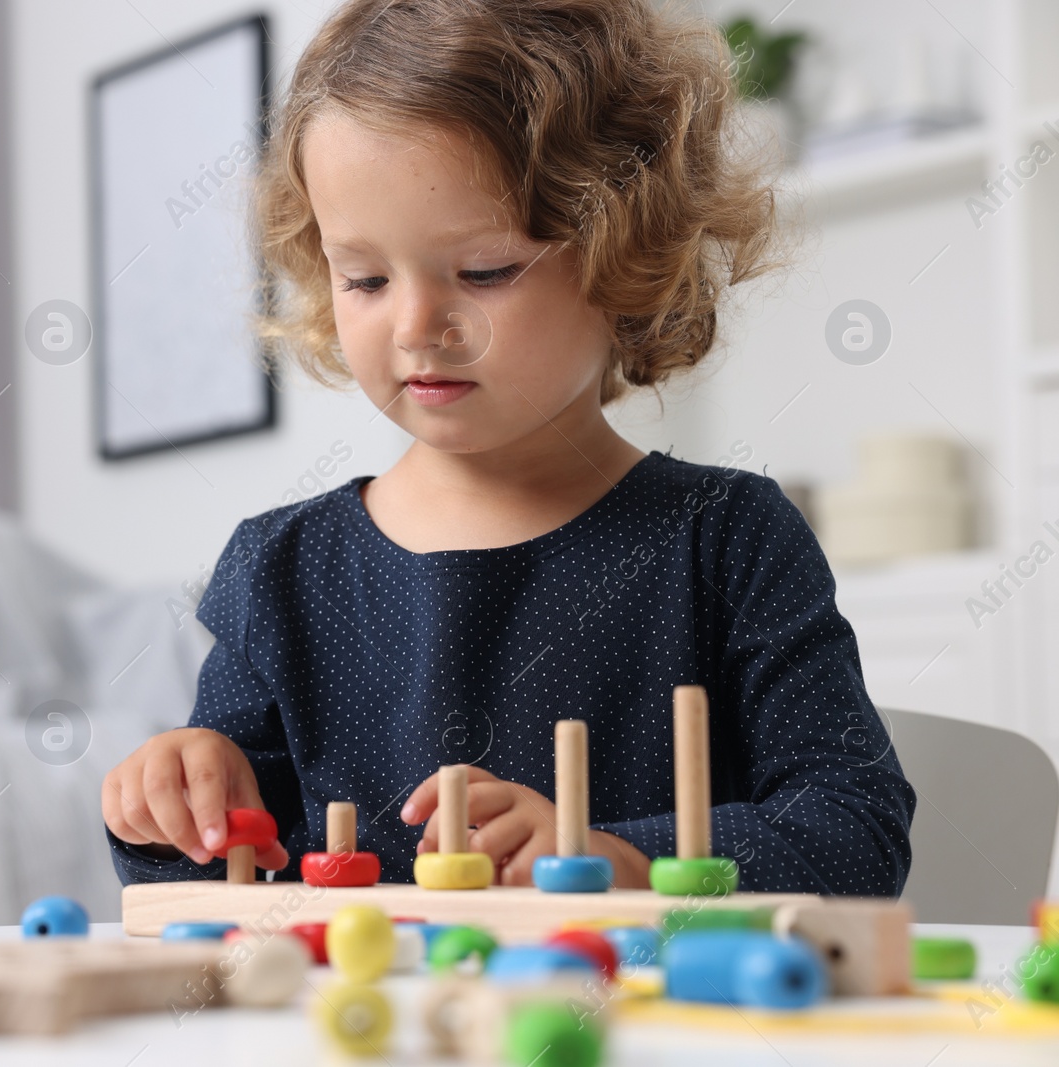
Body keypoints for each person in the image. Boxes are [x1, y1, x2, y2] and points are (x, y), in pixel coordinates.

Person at [102, 0, 914, 895]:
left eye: (484, 271)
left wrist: (625, 859)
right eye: (364, 277)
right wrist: (172, 803)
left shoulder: (727, 538)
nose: (417, 326)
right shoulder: (282, 569)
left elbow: (857, 828)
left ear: (626, 253)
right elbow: (222, 877)